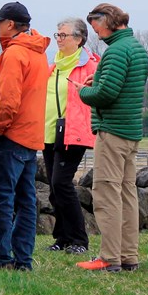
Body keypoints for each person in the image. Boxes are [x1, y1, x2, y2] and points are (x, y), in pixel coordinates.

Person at [70, 3, 148, 272]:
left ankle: (109, 257)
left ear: (107, 21)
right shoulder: (136, 48)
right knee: (127, 194)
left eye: (96, 26)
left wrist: (83, 92)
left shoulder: (116, 51)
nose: (96, 33)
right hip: (130, 131)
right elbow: (122, 86)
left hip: (113, 131)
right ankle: (129, 256)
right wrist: (100, 81)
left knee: (106, 193)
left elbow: (107, 95)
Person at [0, 2, 50, 271]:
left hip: (11, 135)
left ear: (10, 24)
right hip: (31, 135)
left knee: (1, 198)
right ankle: (23, 260)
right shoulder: (38, 53)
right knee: (26, 201)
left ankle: (1, 257)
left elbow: (8, 100)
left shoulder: (14, 54)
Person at [43, 17, 99, 255]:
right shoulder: (54, 65)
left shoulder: (90, 66)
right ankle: (62, 238)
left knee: (61, 183)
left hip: (72, 133)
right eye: (57, 35)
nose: (59, 39)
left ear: (79, 39)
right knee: (55, 189)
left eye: (63, 35)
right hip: (48, 132)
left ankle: (79, 240)